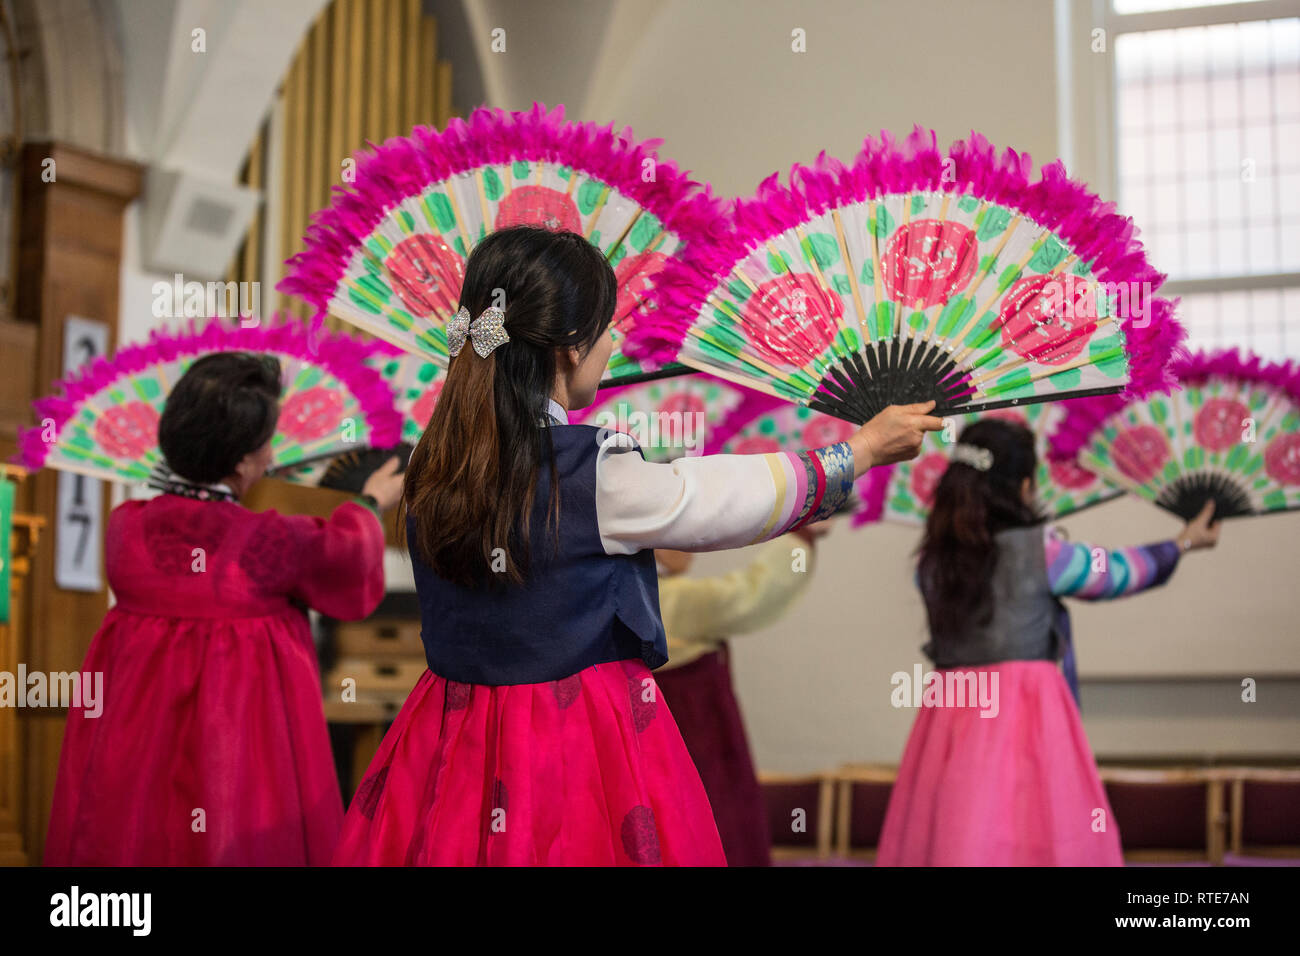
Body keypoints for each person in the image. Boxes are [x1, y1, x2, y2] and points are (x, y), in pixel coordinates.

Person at [331, 225, 944, 866]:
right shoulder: (591, 470)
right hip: (569, 739)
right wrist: (861, 452)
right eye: (605, 327)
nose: (613, 343)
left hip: (446, 733)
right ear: (570, 348)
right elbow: (715, 497)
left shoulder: (433, 462)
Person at [45, 352, 404, 866]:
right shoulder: (271, 542)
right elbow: (345, 556)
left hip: (136, 753)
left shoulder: (127, 529)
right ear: (243, 462)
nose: (273, 451)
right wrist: (369, 504)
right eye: (267, 441)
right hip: (236, 759)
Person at [876, 418, 1220, 866]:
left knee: (962, 832)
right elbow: (1118, 573)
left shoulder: (932, 561)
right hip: (1027, 711)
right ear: (1022, 486)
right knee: (1036, 828)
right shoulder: (1044, 550)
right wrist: (1182, 544)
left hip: (950, 714)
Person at [653, 519, 830, 867]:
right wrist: (802, 535)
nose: (689, 546)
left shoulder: (632, 595)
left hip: (676, 758)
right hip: (696, 756)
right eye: (672, 535)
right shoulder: (663, 598)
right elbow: (749, 594)